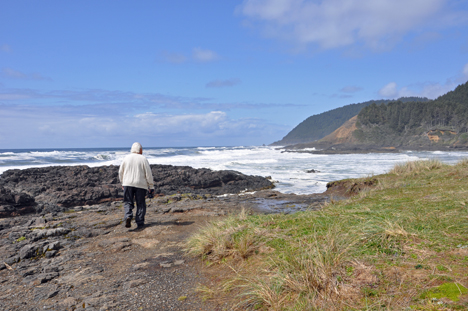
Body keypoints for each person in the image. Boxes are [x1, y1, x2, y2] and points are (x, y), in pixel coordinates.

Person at [118, 142, 154, 229]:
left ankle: (128, 216)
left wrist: (122, 182)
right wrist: (151, 186)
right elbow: (148, 174)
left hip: (127, 183)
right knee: (140, 203)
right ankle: (140, 223)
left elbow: (120, 172)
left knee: (127, 202)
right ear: (140, 150)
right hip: (140, 184)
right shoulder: (143, 159)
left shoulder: (126, 158)